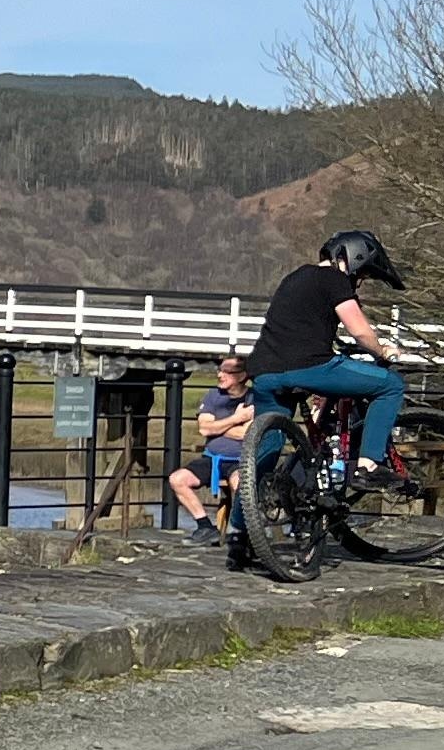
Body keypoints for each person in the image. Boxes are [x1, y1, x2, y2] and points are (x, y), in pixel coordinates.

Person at [246, 230, 406, 480]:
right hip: (310, 367)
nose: (359, 282)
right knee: (391, 385)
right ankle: (368, 465)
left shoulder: (295, 277)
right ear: (354, 258)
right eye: (361, 275)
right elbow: (359, 331)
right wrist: (382, 350)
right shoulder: (333, 278)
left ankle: (242, 518)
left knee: (263, 459)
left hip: (265, 373)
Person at [170, 355, 253, 537]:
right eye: (220, 370)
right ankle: (205, 526)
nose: (220, 375)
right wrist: (236, 419)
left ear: (241, 376)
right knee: (178, 479)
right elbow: (204, 429)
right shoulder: (213, 396)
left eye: (227, 372)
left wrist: (217, 426)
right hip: (211, 458)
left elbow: (244, 434)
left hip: (240, 460)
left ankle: (239, 532)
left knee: (240, 483)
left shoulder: (253, 399)